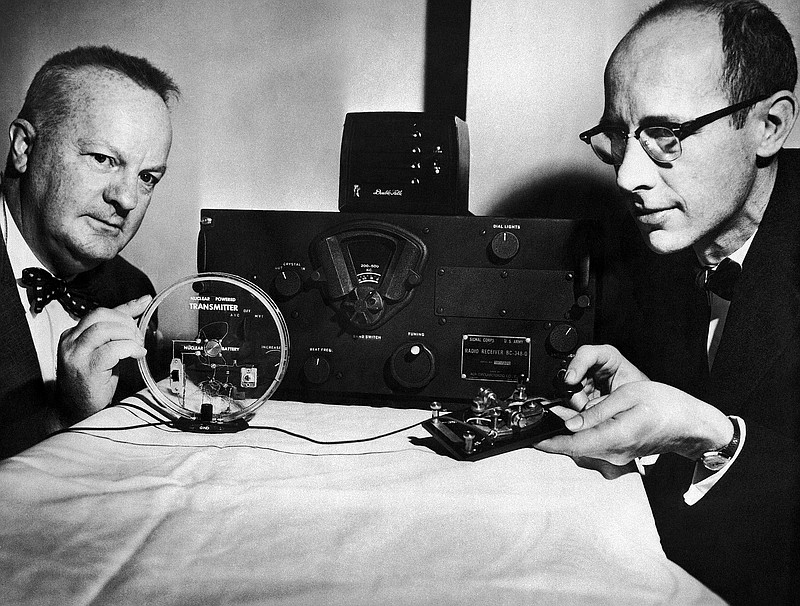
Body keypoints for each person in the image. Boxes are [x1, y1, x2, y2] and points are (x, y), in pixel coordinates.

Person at [535, 0, 799, 603]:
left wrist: (713, 435)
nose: (627, 175)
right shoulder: (640, 255)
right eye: (618, 136)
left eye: (664, 134)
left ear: (770, 125)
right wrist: (657, 417)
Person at [0, 46, 178, 458]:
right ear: (24, 147)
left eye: (148, 177)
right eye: (103, 159)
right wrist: (67, 418)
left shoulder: (131, 290)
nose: (127, 199)